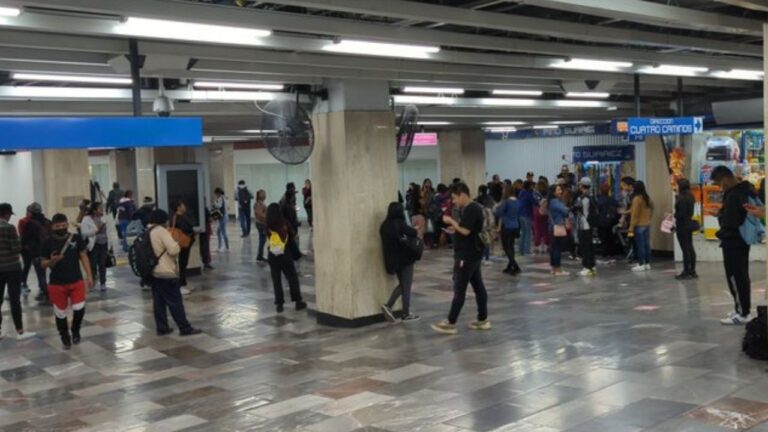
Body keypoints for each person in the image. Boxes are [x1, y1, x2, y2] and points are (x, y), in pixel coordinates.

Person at [431, 182, 491, 335]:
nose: (454, 201)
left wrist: (451, 222)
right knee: (478, 286)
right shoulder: (472, 208)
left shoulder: (471, 209)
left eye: (455, 198)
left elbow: (465, 231)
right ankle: (483, 319)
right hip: (474, 253)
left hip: (467, 255)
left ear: (462, 194)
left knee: (460, 288)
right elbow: (465, 229)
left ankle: (450, 322)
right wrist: (454, 228)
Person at [711, 166, 757, 325]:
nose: (719, 187)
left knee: (736, 277)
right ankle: (741, 309)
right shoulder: (745, 190)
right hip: (742, 240)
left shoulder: (733, 195)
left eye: (718, 183)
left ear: (724, 178)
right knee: (741, 275)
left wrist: (720, 216)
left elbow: (731, 221)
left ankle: (743, 313)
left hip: (733, 241)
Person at [146, 209, 202, 337]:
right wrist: (176, 243)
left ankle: (162, 327)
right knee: (175, 301)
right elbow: (173, 250)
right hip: (165, 272)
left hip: (153, 272)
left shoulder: (148, 231)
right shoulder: (161, 231)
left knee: (159, 302)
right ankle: (184, 328)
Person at [41, 213, 93, 349]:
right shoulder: (47, 242)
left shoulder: (75, 238)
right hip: (57, 283)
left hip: (76, 280)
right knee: (60, 312)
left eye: (63, 225)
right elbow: (42, 263)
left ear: (67, 225)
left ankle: (75, 330)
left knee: (79, 308)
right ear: (53, 227)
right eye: (58, 226)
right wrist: (51, 261)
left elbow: (83, 256)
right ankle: (64, 335)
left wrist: (89, 275)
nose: (61, 228)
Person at [380, 202, 421, 322]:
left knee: (403, 285)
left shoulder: (384, 225)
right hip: (405, 259)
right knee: (405, 286)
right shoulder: (399, 223)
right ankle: (395, 308)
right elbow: (413, 233)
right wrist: (416, 228)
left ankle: (403, 311)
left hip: (393, 260)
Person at [0, 203, 35, 340]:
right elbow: (16, 248)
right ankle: (20, 331)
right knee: (15, 300)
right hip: (12, 268)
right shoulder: (9, 228)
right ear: (7, 214)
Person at [266, 203, 307, 313]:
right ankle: (298, 301)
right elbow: (293, 234)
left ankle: (279, 304)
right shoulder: (284, 223)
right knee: (292, 277)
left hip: (272, 254)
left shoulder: (268, 225)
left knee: (276, 280)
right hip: (285, 254)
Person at [80, 202, 114, 291]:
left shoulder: (105, 218)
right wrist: (95, 231)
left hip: (104, 243)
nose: (102, 210)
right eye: (100, 208)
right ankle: (93, 280)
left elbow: (110, 232)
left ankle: (103, 283)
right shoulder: (87, 219)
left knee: (102, 264)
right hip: (94, 244)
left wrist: (111, 245)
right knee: (93, 264)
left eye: (102, 208)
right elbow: (84, 233)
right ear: (94, 210)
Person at [22, 203, 51, 304]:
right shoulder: (47, 221)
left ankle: (47, 296)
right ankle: (49, 293)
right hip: (49, 252)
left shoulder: (30, 224)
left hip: (37, 253)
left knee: (41, 275)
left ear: (31, 212)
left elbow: (25, 239)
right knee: (49, 274)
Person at [674, 179, 697, 280]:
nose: (676, 187)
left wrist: (674, 215)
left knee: (685, 249)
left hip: (682, 225)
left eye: (677, 185)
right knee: (690, 247)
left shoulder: (682, 198)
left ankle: (686, 271)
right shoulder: (691, 196)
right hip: (689, 223)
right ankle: (692, 270)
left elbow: (680, 214)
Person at [495, 184, 521, 275]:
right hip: (515, 226)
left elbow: (498, 212)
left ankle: (515, 265)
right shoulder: (517, 201)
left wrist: (496, 207)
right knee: (511, 246)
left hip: (507, 226)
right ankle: (510, 266)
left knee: (506, 247)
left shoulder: (505, 201)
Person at [628, 181, 653, 272]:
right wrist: (649, 218)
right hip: (646, 224)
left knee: (640, 245)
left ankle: (641, 263)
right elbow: (652, 208)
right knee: (646, 245)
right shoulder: (647, 198)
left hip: (639, 226)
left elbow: (634, 214)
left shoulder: (636, 199)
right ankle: (647, 263)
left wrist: (631, 227)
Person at [574, 177, 597, 276]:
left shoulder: (582, 198)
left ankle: (587, 267)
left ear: (582, 186)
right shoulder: (592, 196)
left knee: (584, 247)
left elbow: (576, 209)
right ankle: (592, 266)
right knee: (590, 247)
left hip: (583, 225)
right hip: (590, 225)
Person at [172, 201, 196, 289]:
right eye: (183, 205)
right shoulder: (179, 218)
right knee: (183, 261)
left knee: (182, 261)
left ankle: (182, 279)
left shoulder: (177, 217)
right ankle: (182, 281)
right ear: (178, 207)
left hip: (181, 242)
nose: (184, 207)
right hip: (183, 242)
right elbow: (187, 228)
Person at [548, 184, 570, 276]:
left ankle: (554, 268)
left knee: (553, 248)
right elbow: (565, 212)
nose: (560, 191)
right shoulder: (556, 202)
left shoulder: (551, 202)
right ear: (553, 192)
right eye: (558, 190)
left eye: (560, 189)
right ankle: (558, 270)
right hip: (557, 226)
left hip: (552, 226)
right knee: (557, 249)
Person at [596, 182, 620, 258]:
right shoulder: (612, 200)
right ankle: (611, 252)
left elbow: (597, 211)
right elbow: (618, 207)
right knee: (611, 237)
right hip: (612, 222)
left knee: (603, 238)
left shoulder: (599, 200)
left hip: (602, 222)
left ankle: (605, 253)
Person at [280, 186, 302, 260]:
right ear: (291, 197)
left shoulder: (286, 204)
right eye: (294, 195)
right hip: (290, 229)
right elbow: (290, 219)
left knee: (291, 245)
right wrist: (294, 226)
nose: (295, 197)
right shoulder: (288, 206)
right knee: (292, 246)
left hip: (289, 229)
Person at [517, 181, 536, 256]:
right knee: (528, 233)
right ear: (529, 186)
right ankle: (527, 251)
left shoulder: (521, 193)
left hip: (520, 214)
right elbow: (534, 202)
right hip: (527, 214)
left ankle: (521, 250)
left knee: (523, 232)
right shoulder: (529, 194)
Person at [533, 179, 550, 255]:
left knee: (537, 229)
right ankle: (546, 245)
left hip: (537, 211)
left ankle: (537, 245)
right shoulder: (547, 193)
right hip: (546, 212)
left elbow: (536, 201)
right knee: (546, 228)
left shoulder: (535, 193)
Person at [17, 206, 32, 296]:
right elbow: (22, 234)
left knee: (28, 266)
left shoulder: (33, 221)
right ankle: (23, 283)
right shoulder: (23, 221)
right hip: (25, 247)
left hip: (32, 247)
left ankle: (23, 283)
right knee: (27, 265)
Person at [213, 187, 229, 252]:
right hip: (224, 216)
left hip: (222, 217)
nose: (215, 195)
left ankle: (226, 247)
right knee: (219, 232)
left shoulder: (220, 198)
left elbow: (218, 206)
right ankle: (220, 246)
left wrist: (214, 202)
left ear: (218, 193)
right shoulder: (224, 197)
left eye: (216, 194)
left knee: (223, 232)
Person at [254, 190, 268, 262]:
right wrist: (266, 218)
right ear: (259, 195)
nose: (265, 195)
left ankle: (260, 255)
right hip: (261, 224)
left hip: (261, 223)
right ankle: (259, 256)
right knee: (262, 240)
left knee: (262, 240)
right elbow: (259, 214)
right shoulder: (259, 204)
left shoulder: (261, 203)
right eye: (263, 194)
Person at [200, 206, 213, 271]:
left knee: (203, 247)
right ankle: (206, 263)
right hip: (205, 231)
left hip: (202, 231)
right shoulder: (205, 209)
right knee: (206, 247)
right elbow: (210, 219)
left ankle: (206, 262)